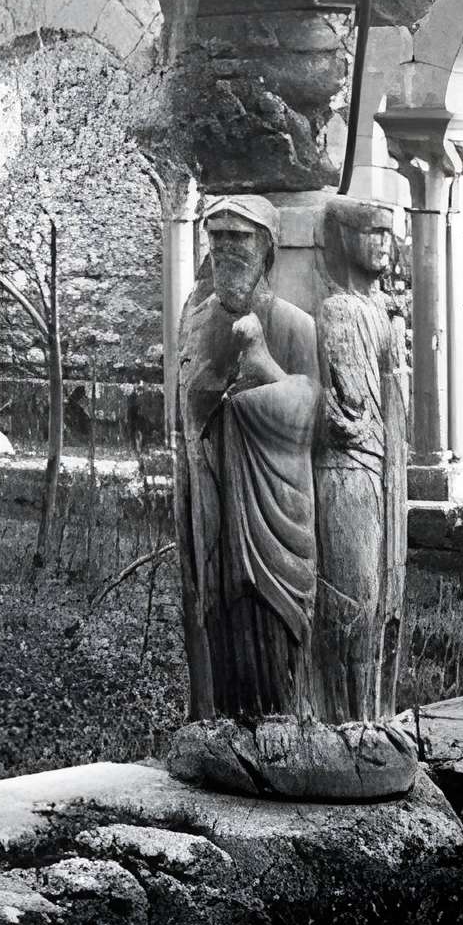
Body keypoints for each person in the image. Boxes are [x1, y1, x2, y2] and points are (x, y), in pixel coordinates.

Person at [174, 195, 320, 722]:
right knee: (216, 613)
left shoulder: (295, 325)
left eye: (240, 237)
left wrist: (263, 375)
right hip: (209, 487)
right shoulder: (196, 320)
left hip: (272, 503)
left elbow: (312, 409)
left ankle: (280, 726)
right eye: (217, 237)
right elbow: (187, 404)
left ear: (268, 248)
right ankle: (220, 722)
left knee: (267, 625)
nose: (226, 248)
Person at [314, 198, 407, 721]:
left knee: (381, 600)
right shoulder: (339, 311)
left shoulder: (383, 310)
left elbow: (393, 402)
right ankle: (346, 717)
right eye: (372, 232)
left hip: (383, 469)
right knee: (352, 596)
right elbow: (349, 409)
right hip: (351, 471)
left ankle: (372, 714)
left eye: (388, 234)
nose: (383, 244)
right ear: (345, 238)